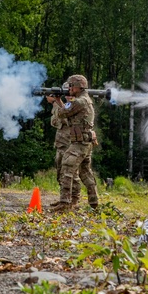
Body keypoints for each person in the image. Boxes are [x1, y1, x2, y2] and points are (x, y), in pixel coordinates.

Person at [46, 74, 99, 211]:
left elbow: (63, 113)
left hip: (80, 143)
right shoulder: (84, 100)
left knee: (67, 168)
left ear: (77, 87)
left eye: (71, 86)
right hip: (84, 141)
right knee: (85, 173)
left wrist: (56, 100)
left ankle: (65, 203)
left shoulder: (79, 102)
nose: (69, 88)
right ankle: (94, 202)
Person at [50, 99, 82, 207]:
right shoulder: (66, 105)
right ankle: (64, 199)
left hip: (68, 143)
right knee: (61, 173)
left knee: (71, 173)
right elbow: (54, 122)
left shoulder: (74, 105)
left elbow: (66, 119)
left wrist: (56, 103)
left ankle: (74, 199)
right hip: (61, 144)